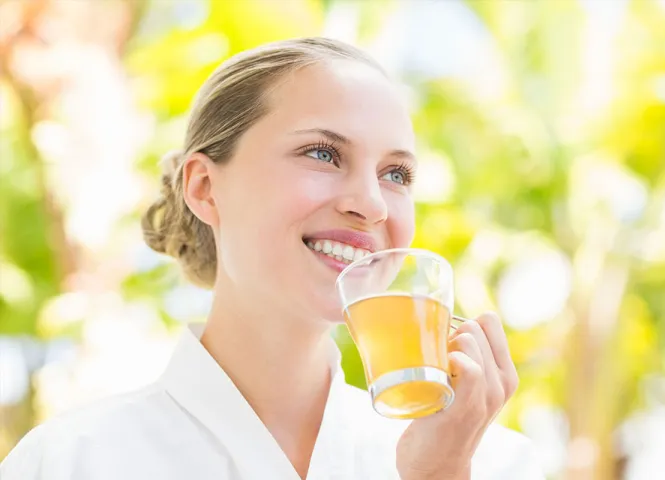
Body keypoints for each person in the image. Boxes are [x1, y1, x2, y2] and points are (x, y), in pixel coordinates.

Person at [0, 37, 545, 480]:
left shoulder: (493, 464)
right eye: (323, 154)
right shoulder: (71, 462)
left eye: (396, 174)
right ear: (206, 187)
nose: (372, 204)